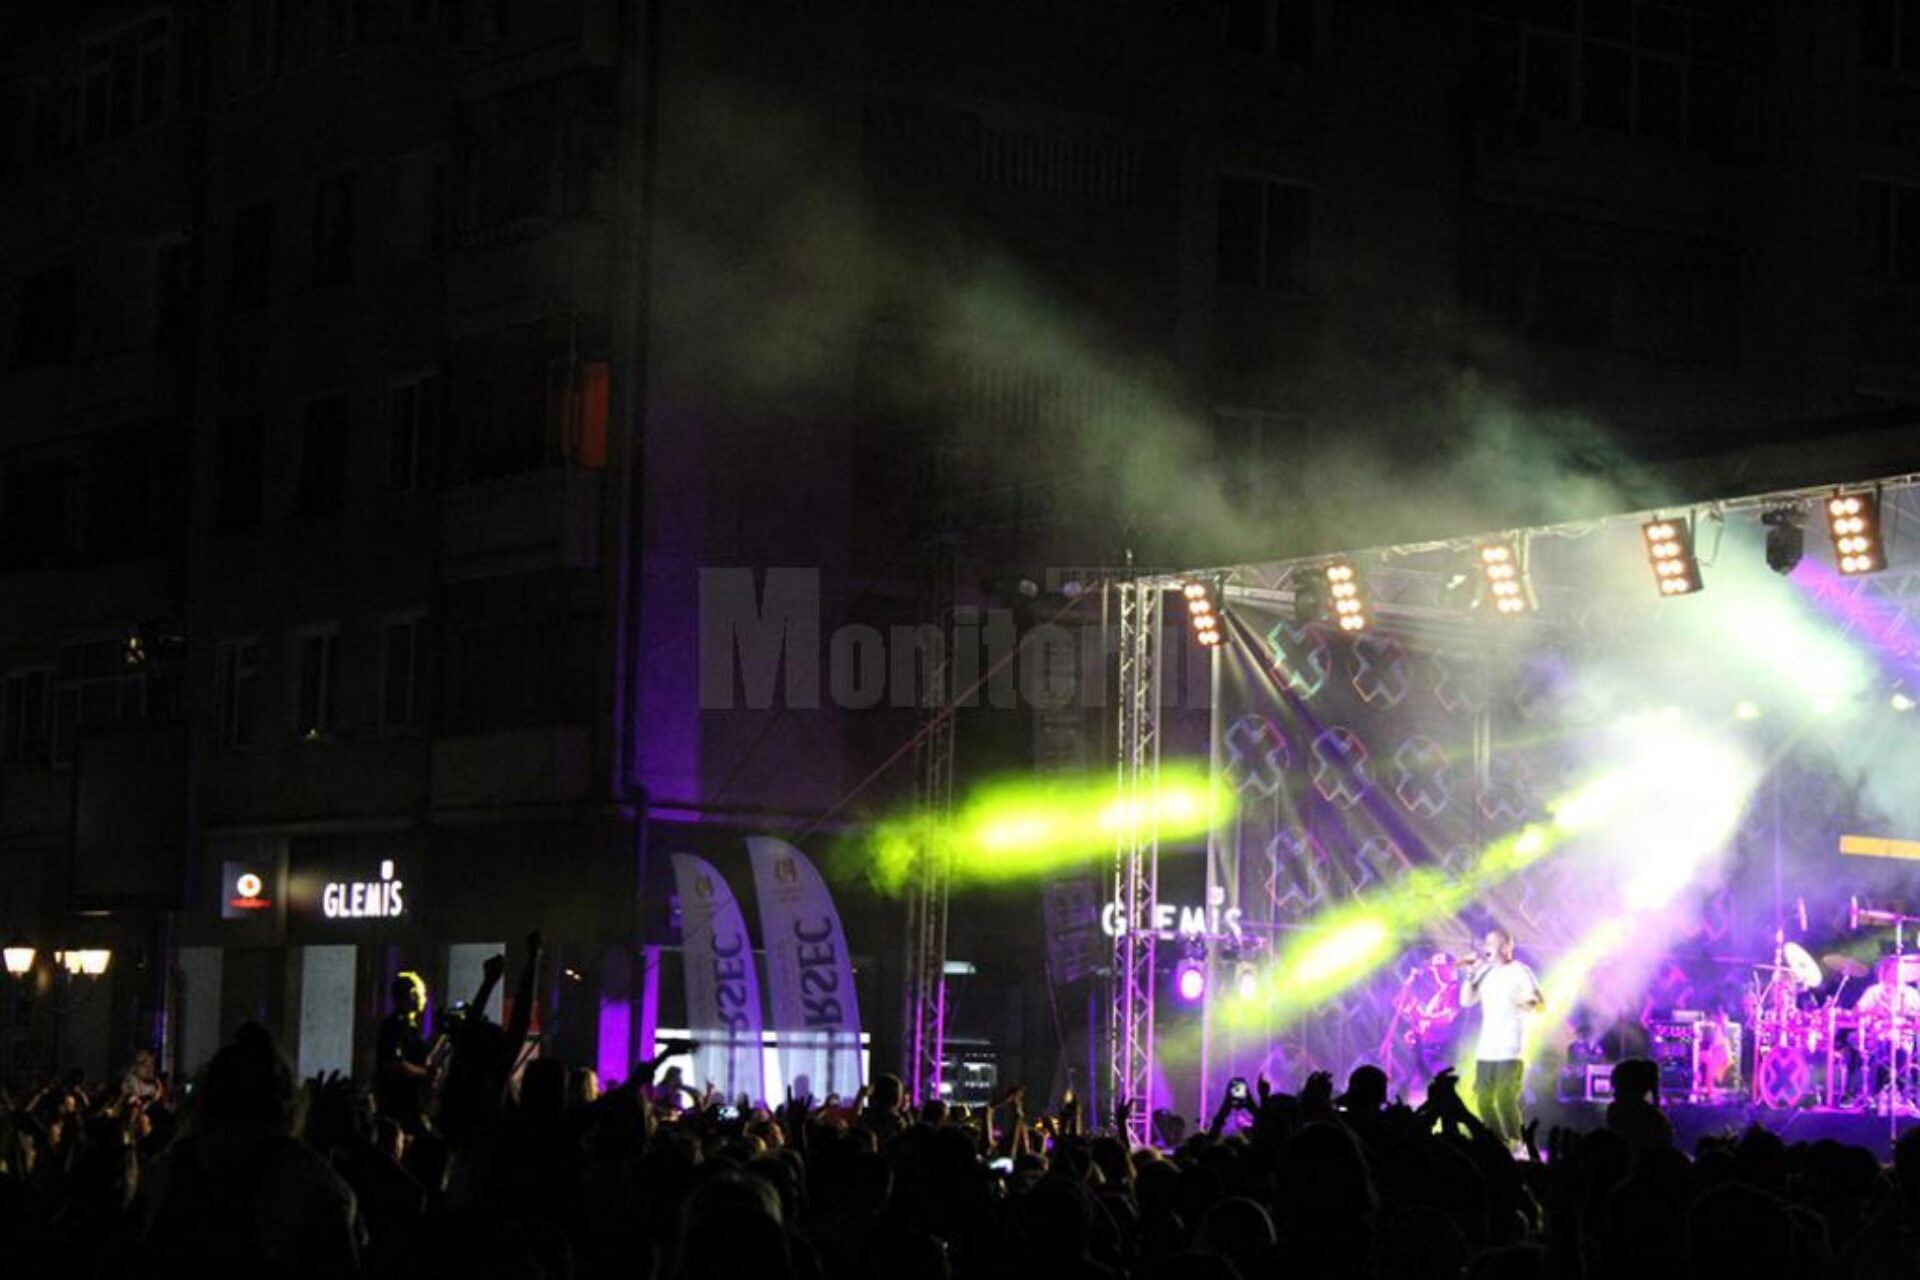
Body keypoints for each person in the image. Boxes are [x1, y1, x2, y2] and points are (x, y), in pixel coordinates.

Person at [1458, 927, 1543, 1147]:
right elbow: (1466, 1001)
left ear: (1505, 947)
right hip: (1486, 1048)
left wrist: (1523, 1002)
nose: (1485, 947)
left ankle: (1518, 1145)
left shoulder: (1520, 971)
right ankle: (1500, 1144)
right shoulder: (1485, 972)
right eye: (1485, 943)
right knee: (1483, 1100)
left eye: (1491, 943)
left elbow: (1539, 1003)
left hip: (1511, 1047)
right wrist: (1470, 974)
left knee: (1505, 1099)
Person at [374, 971, 433, 1134]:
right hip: (401, 1106)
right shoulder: (396, 1026)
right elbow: (395, 1064)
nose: (425, 998)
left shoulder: (408, 1026)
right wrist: (425, 1073)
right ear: (412, 995)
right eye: (422, 993)